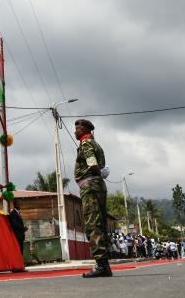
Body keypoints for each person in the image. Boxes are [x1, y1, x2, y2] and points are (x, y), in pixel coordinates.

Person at [73, 118, 111, 278]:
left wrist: (95, 171)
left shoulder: (86, 143)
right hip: (97, 185)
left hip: (90, 186)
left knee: (93, 224)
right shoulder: (96, 144)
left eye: (77, 128)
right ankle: (104, 265)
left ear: (85, 129)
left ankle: (101, 265)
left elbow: (92, 163)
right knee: (99, 223)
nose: (75, 131)